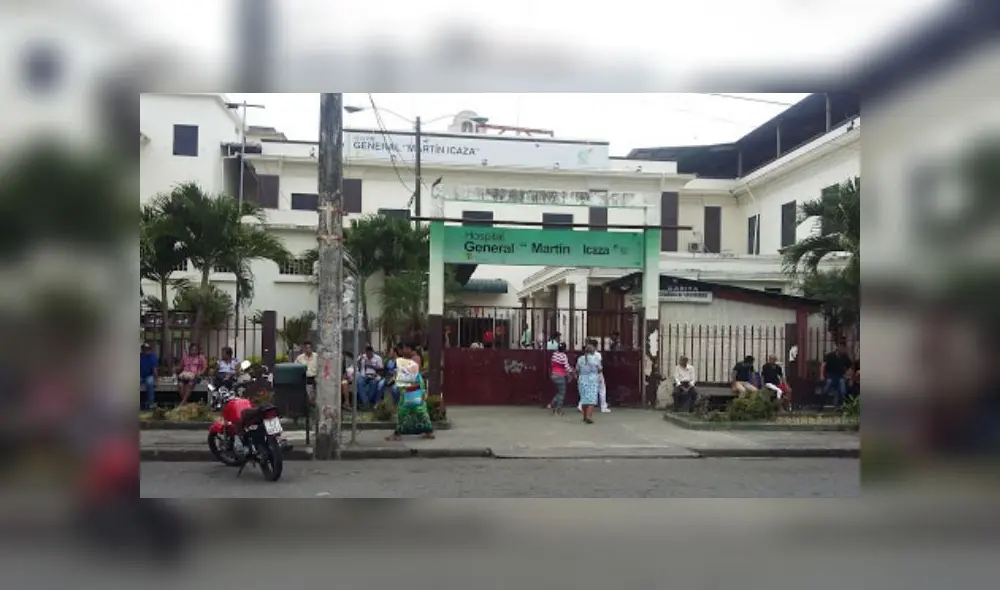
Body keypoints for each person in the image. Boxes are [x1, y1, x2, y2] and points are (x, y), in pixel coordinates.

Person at [385, 342, 435, 441]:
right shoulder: (410, 358)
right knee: (419, 409)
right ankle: (429, 432)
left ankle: (397, 434)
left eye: (402, 349)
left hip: (412, 386)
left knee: (403, 409)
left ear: (408, 348)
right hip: (413, 386)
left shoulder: (415, 358)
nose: (401, 352)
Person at [578, 339, 610, 413]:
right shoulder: (597, 355)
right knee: (601, 390)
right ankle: (603, 407)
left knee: (585, 391)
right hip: (596, 375)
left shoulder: (582, 357)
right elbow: (599, 366)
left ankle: (581, 405)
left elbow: (578, 368)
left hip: (584, 376)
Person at [576, 341, 603, 424]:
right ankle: (589, 416)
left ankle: (584, 416)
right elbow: (599, 369)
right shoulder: (595, 359)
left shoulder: (580, 359)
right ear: (593, 351)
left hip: (582, 379)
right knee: (592, 399)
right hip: (592, 380)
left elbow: (577, 369)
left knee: (584, 399)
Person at [821, 342, 854, 410]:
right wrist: (821, 375)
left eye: (843, 348)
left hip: (840, 376)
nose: (842, 349)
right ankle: (821, 405)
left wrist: (849, 377)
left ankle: (841, 406)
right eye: (841, 348)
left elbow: (850, 367)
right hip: (831, 375)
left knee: (843, 390)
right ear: (838, 348)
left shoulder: (845, 357)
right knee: (826, 388)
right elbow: (823, 365)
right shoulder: (830, 356)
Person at [546, 342, 572, 415]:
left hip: (553, 375)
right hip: (560, 376)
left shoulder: (554, 354)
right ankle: (557, 409)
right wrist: (571, 371)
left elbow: (552, 364)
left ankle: (552, 405)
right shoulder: (563, 356)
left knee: (559, 392)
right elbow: (566, 367)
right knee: (562, 393)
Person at [140, 342, 158, 410]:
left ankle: (151, 403)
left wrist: (156, 380)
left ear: (150, 349)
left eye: (147, 349)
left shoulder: (152, 357)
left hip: (149, 375)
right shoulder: (139, 356)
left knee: (150, 383)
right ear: (142, 349)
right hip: (140, 375)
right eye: (144, 349)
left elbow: (154, 370)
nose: (146, 350)